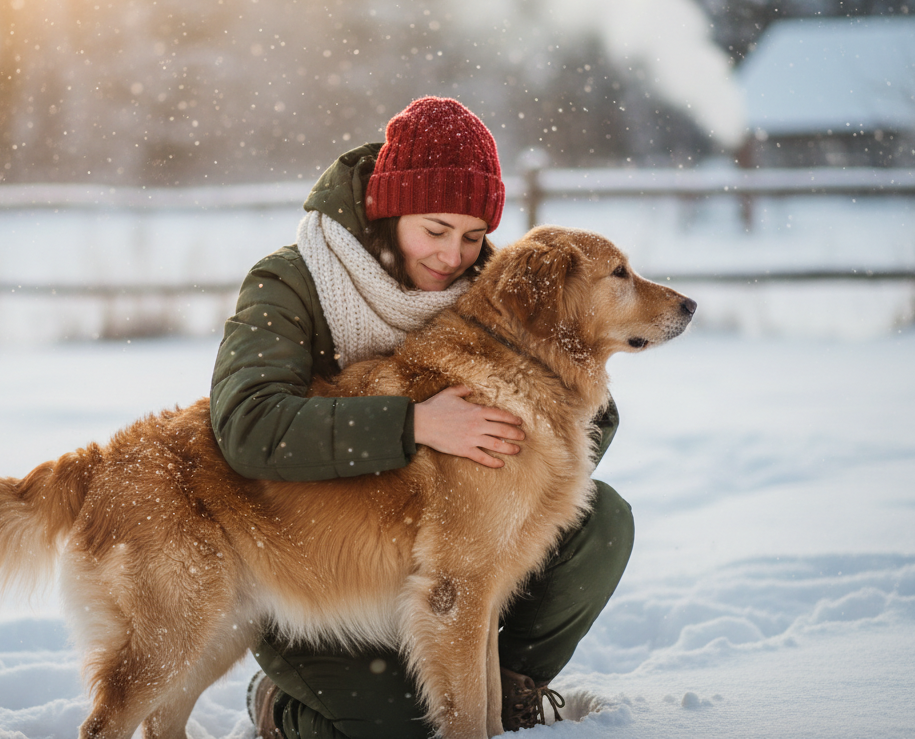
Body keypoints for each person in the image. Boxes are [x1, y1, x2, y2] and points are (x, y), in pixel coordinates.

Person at [209, 97, 630, 738]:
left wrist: (493, 488)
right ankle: (281, 705)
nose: (452, 256)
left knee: (600, 522)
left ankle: (506, 687)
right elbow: (246, 425)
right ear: (388, 209)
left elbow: (585, 416)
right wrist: (411, 427)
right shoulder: (293, 282)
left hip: (446, 559)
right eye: (434, 230)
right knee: (399, 727)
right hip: (312, 567)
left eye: (471, 235)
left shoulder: (496, 284)